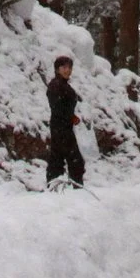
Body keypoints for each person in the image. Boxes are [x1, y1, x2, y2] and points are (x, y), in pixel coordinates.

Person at [45, 55, 85, 187]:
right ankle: (77, 189)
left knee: (57, 159)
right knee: (75, 161)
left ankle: (53, 187)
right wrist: (70, 116)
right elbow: (57, 107)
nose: (67, 70)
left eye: (69, 67)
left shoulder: (61, 84)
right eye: (64, 67)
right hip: (61, 127)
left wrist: (71, 117)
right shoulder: (56, 85)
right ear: (57, 69)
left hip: (61, 126)